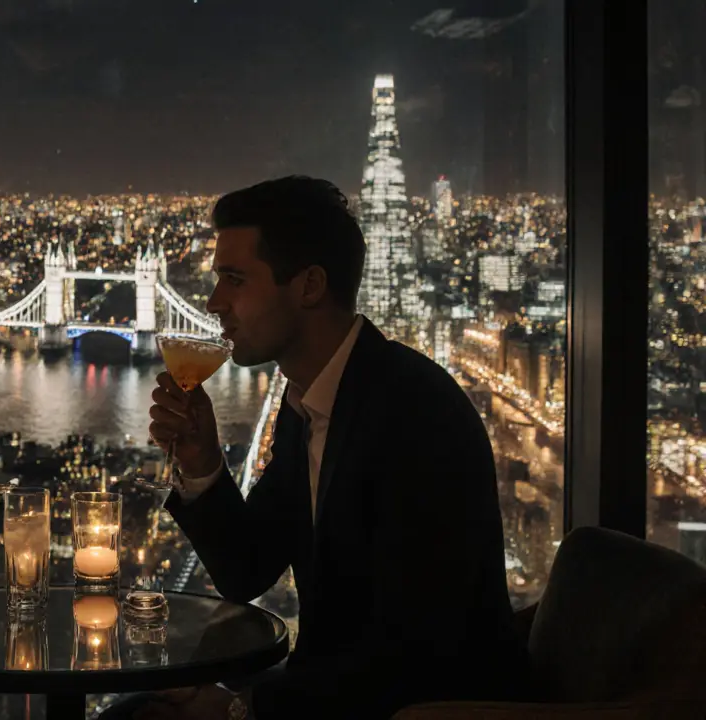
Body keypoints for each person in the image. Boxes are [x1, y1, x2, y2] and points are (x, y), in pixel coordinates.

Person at [112, 177, 528, 719]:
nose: (214, 303)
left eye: (234, 280)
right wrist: (202, 465)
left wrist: (244, 709)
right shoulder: (309, 403)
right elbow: (248, 569)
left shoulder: (414, 413)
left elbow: (417, 650)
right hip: (340, 691)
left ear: (309, 287)